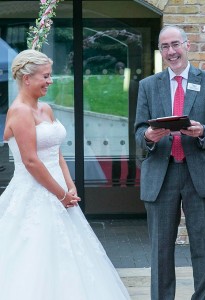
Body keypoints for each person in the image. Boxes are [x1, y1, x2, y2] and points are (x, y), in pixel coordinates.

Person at [0, 49, 130, 300]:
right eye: (45, 76)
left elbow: (56, 153)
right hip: (35, 193)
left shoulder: (46, 109)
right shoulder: (20, 112)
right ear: (27, 78)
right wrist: (61, 195)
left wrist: (70, 186)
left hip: (60, 192)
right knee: (35, 256)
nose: (50, 81)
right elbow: (31, 161)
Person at [134, 25, 205, 300]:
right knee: (161, 249)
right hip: (161, 175)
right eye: (165, 47)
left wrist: (203, 132)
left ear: (187, 45)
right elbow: (139, 133)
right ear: (160, 51)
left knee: (202, 248)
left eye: (175, 44)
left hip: (198, 173)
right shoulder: (148, 86)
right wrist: (150, 136)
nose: (171, 51)